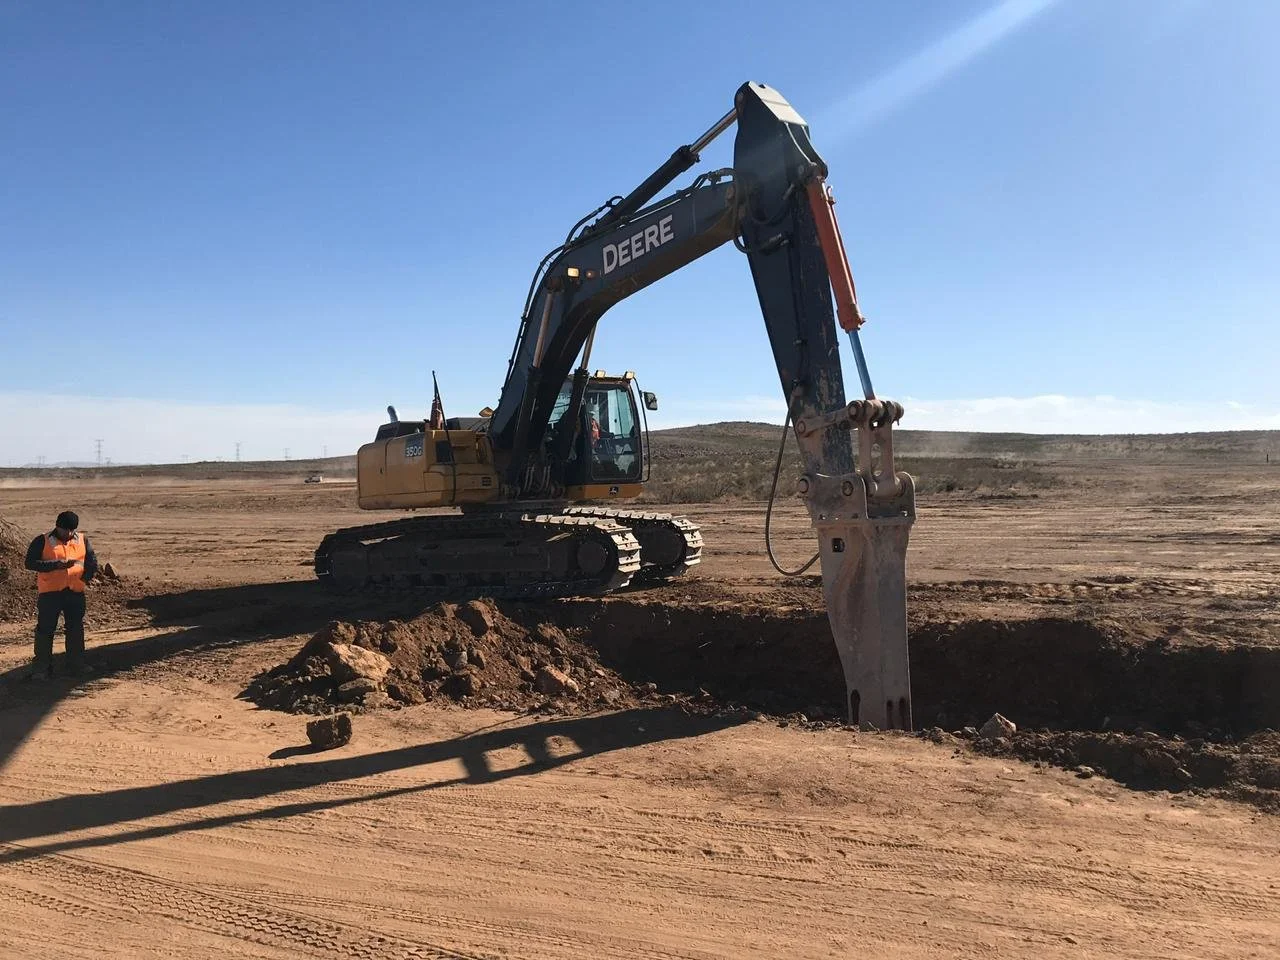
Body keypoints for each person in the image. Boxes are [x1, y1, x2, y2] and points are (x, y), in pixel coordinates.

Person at [23, 510, 98, 679]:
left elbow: (92, 563)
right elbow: (30, 563)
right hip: (50, 594)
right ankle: (41, 668)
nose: (69, 533)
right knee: (45, 630)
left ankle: (76, 665)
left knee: (75, 629)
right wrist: (55, 565)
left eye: (72, 530)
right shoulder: (42, 540)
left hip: (75, 593)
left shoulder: (82, 540)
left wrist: (84, 580)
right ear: (57, 526)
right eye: (65, 530)